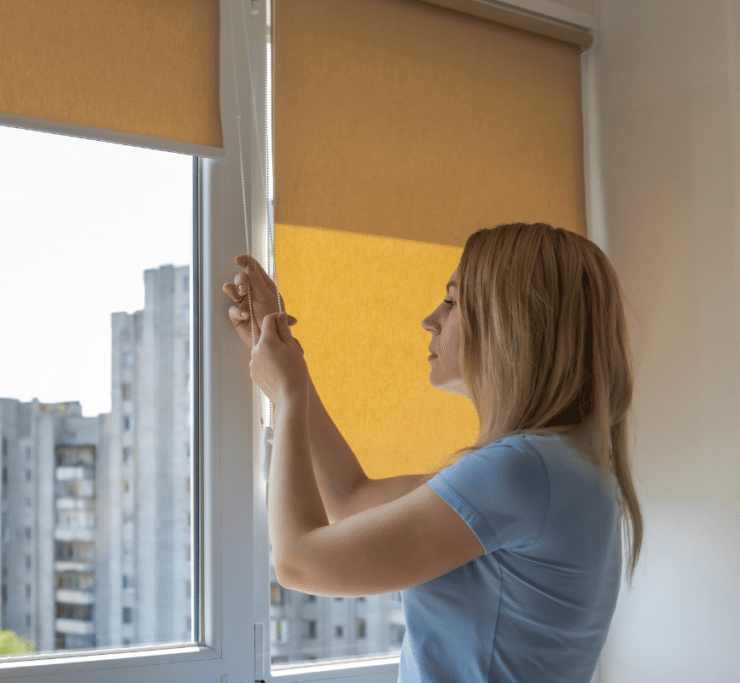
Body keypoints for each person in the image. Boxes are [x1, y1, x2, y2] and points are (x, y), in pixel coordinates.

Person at [223, 222, 642, 683]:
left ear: (511, 321)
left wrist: (287, 397)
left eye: (451, 300)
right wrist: (292, 367)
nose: (431, 319)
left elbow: (299, 561)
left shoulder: (523, 471)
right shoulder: (562, 468)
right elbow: (350, 498)